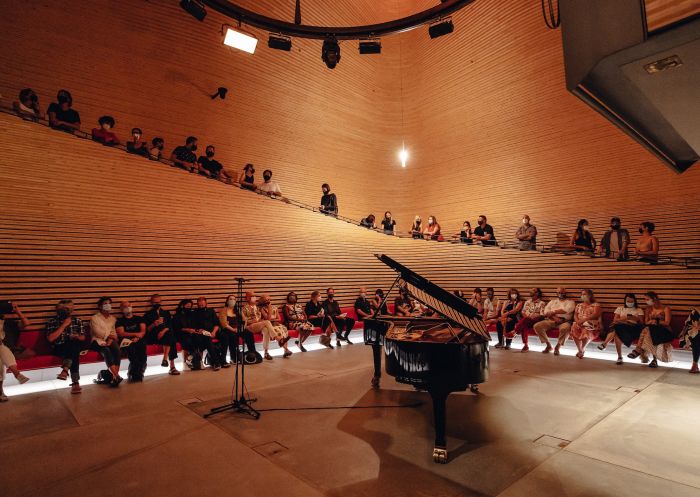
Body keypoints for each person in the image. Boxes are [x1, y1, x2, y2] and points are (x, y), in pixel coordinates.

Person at [45, 299, 86, 393]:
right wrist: (63, 325)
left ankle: (65, 370)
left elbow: (83, 337)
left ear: (71, 310)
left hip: (75, 346)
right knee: (74, 351)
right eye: (62, 308)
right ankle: (75, 382)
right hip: (59, 348)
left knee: (73, 344)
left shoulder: (77, 320)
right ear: (57, 310)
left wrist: (77, 336)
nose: (65, 311)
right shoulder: (52, 322)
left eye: (67, 309)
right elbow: (51, 339)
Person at [628, 292, 673, 368]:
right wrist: (651, 321)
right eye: (645, 299)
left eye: (647, 299)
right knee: (649, 332)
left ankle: (638, 350)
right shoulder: (648, 309)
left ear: (654, 299)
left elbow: (667, 322)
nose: (646, 301)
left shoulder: (665, 308)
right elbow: (646, 322)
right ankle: (654, 360)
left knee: (648, 331)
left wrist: (657, 321)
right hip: (651, 329)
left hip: (664, 330)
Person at [597, 293, 644, 365]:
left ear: (635, 301)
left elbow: (641, 322)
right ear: (625, 301)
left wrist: (633, 318)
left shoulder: (639, 310)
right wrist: (625, 318)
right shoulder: (620, 308)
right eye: (628, 301)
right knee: (617, 331)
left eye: (631, 301)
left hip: (633, 328)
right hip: (621, 326)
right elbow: (615, 320)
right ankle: (619, 357)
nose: (630, 303)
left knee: (616, 328)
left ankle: (605, 344)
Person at [0, 302, 30, 401]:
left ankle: (0, 391)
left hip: (10, 350)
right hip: (5, 351)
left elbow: (26, 323)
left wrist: (17, 310)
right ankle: (17, 374)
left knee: (1, 355)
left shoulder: (11, 323)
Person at [89, 297, 122, 387]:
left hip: (110, 340)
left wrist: (111, 339)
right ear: (100, 306)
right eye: (105, 304)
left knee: (117, 349)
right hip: (96, 341)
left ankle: (114, 378)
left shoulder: (113, 319)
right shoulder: (94, 318)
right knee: (106, 350)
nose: (108, 305)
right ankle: (116, 375)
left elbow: (114, 333)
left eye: (109, 303)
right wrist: (110, 336)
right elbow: (98, 333)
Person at [143, 294, 179, 374]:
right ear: (152, 303)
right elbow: (146, 330)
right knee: (171, 338)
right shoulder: (147, 315)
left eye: (158, 302)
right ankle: (171, 366)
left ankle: (165, 359)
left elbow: (170, 325)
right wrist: (153, 324)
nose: (157, 304)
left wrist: (163, 331)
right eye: (155, 302)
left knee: (170, 335)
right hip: (153, 336)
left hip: (165, 334)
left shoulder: (166, 313)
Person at [533, 288, 575, 355]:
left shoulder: (570, 302)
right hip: (551, 319)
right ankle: (548, 345)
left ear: (565, 293)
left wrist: (553, 311)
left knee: (565, 328)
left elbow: (567, 310)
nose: (561, 294)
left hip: (564, 321)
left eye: (562, 292)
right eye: (559, 292)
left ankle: (558, 347)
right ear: (556, 293)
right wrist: (554, 317)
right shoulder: (552, 302)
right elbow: (546, 311)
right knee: (537, 326)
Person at [241, 291, 280, 360]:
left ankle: (266, 352)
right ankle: (278, 339)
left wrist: (260, 320)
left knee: (266, 330)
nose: (253, 297)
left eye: (254, 296)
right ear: (246, 298)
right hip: (249, 327)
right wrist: (252, 321)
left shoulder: (258, 308)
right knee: (267, 322)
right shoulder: (243, 308)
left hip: (258, 326)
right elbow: (244, 321)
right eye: (251, 296)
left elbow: (262, 318)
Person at [218, 294, 257, 363]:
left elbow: (245, 320)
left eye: (234, 299)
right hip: (228, 329)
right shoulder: (223, 310)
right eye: (230, 299)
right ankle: (233, 358)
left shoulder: (238, 309)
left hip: (239, 328)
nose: (232, 301)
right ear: (227, 301)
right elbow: (224, 324)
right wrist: (233, 330)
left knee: (249, 334)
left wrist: (242, 328)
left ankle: (252, 354)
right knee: (232, 336)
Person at [115, 300, 148, 382]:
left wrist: (137, 337)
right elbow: (121, 333)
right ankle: (135, 374)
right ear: (121, 309)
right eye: (125, 307)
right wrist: (135, 335)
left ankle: (136, 373)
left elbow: (143, 331)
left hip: (139, 339)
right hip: (126, 341)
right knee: (132, 351)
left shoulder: (139, 318)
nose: (127, 308)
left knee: (142, 349)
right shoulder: (119, 321)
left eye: (129, 306)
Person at [192, 296, 224, 370]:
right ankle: (216, 363)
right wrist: (200, 330)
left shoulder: (211, 311)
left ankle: (223, 360)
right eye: (199, 305)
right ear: (197, 304)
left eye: (203, 304)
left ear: (206, 303)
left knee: (225, 336)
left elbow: (217, 324)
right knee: (207, 340)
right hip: (202, 332)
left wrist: (214, 332)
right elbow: (194, 326)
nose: (201, 306)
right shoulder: (195, 312)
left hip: (212, 331)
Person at [570, 289, 602, 359]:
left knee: (586, 330)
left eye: (584, 294)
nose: (582, 296)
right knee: (574, 327)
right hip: (579, 323)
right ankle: (580, 350)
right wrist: (578, 321)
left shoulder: (596, 305)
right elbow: (575, 315)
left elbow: (595, 315)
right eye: (582, 294)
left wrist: (583, 320)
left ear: (590, 295)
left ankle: (582, 349)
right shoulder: (579, 305)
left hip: (591, 324)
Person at [171, 298, 201, 369]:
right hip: (181, 334)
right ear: (182, 306)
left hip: (192, 333)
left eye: (190, 307)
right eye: (187, 306)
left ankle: (190, 359)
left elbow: (195, 325)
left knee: (198, 339)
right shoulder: (177, 316)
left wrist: (195, 330)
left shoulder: (192, 314)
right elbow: (176, 328)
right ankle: (193, 361)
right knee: (188, 341)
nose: (189, 308)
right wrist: (187, 329)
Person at [679, 309, 700, 374]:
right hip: (693, 332)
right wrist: (682, 332)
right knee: (695, 336)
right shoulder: (695, 312)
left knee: (696, 336)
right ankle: (695, 365)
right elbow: (687, 323)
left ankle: (695, 365)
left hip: (696, 333)